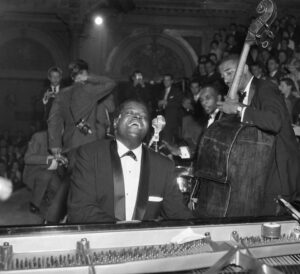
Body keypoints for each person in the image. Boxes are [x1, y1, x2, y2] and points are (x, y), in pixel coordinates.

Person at [67, 100, 193, 223]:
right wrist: (122, 230)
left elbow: (178, 214)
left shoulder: (163, 166)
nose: (137, 117)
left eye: (143, 116)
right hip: (100, 240)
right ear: (116, 122)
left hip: (144, 242)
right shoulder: (90, 155)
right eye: (130, 113)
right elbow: (80, 210)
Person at [217, 55, 300, 215]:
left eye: (229, 73)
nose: (226, 79)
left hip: (277, 174)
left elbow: (274, 122)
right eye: (223, 76)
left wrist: (238, 109)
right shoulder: (241, 97)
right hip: (258, 175)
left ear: (245, 68)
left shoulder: (265, 88)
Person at [48, 59, 116, 162]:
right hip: (89, 142)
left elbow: (53, 120)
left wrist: (54, 144)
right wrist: (89, 78)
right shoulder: (90, 90)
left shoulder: (61, 94)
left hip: (70, 143)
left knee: (73, 175)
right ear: (84, 74)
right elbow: (110, 83)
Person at [23, 131, 67, 222]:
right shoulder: (38, 137)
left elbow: (59, 163)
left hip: (52, 173)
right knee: (46, 176)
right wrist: (47, 159)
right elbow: (27, 158)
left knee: (60, 192)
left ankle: (49, 211)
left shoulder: (62, 139)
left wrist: (64, 162)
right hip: (35, 173)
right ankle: (34, 204)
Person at [157, 74, 183, 144]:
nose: (166, 82)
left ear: (172, 81)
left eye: (168, 80)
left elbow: (179, 103)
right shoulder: (162, 92)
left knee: (171, 141)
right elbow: (159, 104)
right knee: (164, 140)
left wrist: (167, 103)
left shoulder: (176, 91)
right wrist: (159, 104)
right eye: (164, 80)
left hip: (173, 119)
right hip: (163, 119)